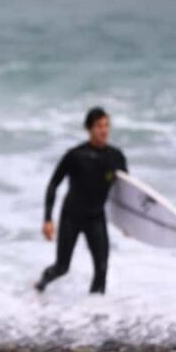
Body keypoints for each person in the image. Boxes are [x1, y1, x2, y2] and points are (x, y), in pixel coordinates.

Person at [35, 107, 128, 294]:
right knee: (62, 267)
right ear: (89, 129)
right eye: (99, 126)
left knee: (101, 270)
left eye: (107, 125)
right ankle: (40, 285)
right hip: (71, 216)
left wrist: (128, 223)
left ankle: (94, 312)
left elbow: (124, 192)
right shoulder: (75, 155)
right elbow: (53, 184)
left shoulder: (116, 157)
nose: (104, 130)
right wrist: (47, 219)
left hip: (96, 217)